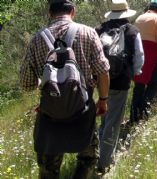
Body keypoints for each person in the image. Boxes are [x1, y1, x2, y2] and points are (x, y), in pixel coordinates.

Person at [20, 0, 110, 178]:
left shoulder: (37, 39)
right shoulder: (88, 33)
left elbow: (26, 83)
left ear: (50, 13)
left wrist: (46, 83)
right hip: (82, 110)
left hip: (50, 113)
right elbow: (103, 71)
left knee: (48, 167)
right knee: (87, 158)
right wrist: (103, 100)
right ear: (73, 11)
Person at [95, 0, 144, 173]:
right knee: (114, 121)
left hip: (101, 80)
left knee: (104, 115)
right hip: (121, 81)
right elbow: (139, 55)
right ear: (126, 12)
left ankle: (100, 152)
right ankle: (104, 162)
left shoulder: (99, 30)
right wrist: (135, 72)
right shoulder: (132, 31)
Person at [130, 0, 157, 123]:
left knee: (139, 84)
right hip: (151, 51)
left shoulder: (140, 17)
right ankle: (144, 112)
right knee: (153, 84)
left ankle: (134, 117)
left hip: (137, 51)